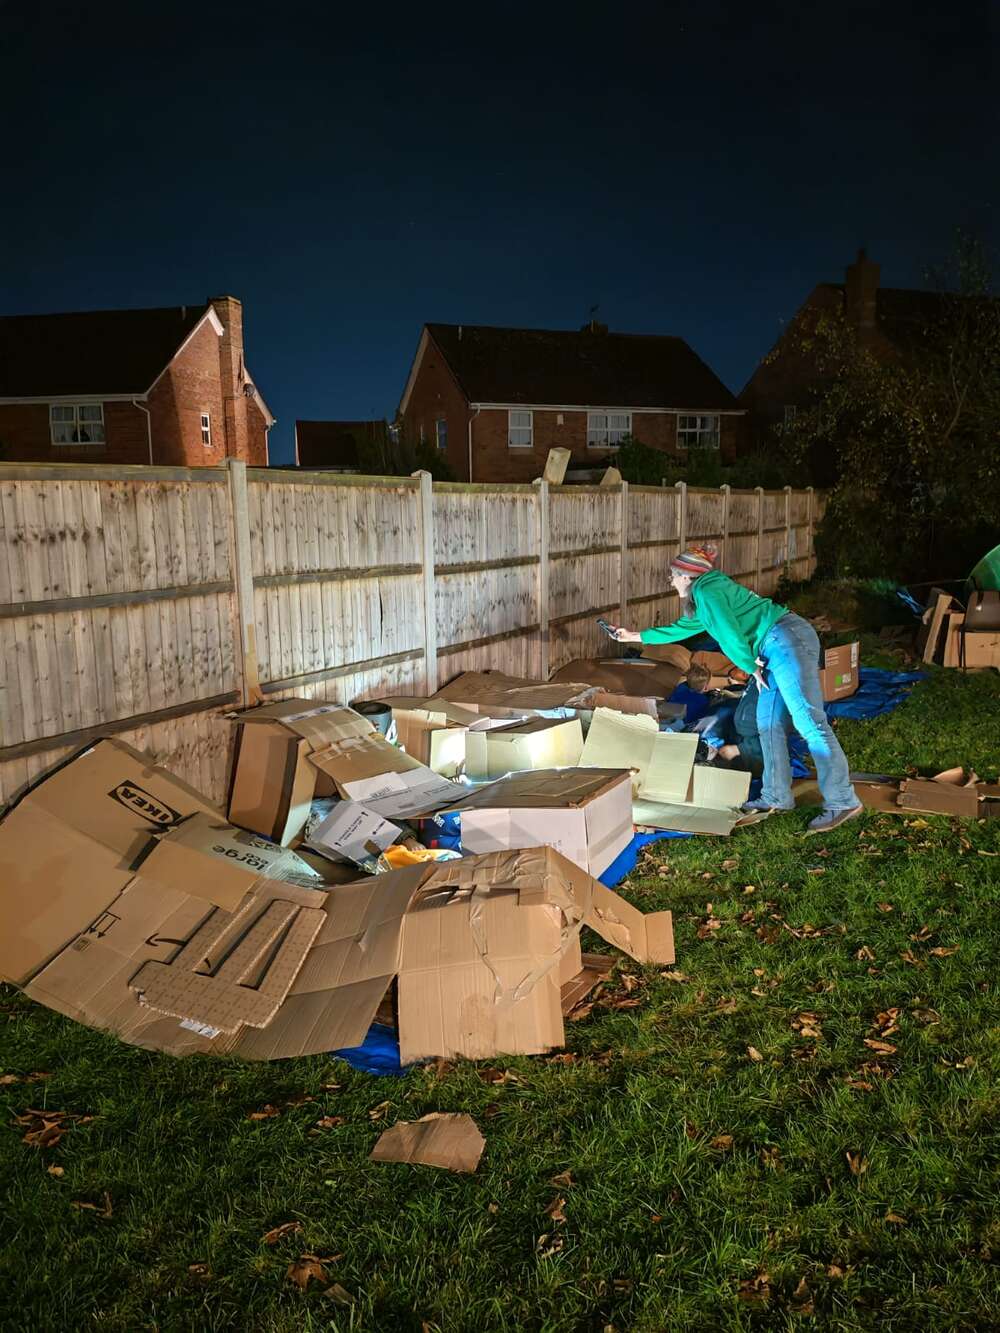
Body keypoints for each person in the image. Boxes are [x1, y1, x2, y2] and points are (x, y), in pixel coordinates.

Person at [611, 543, 862, 834]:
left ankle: (843, 800)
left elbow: (729, 633)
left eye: (673, 575)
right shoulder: (706, 594)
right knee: (767, 724)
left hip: (786, 640)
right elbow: (684, 628)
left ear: (688, 576)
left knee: (808, 720)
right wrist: (636, 635)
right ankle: (776, 796)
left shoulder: (706, 590)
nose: (671, 581)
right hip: (774, 646)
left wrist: (749, 666)